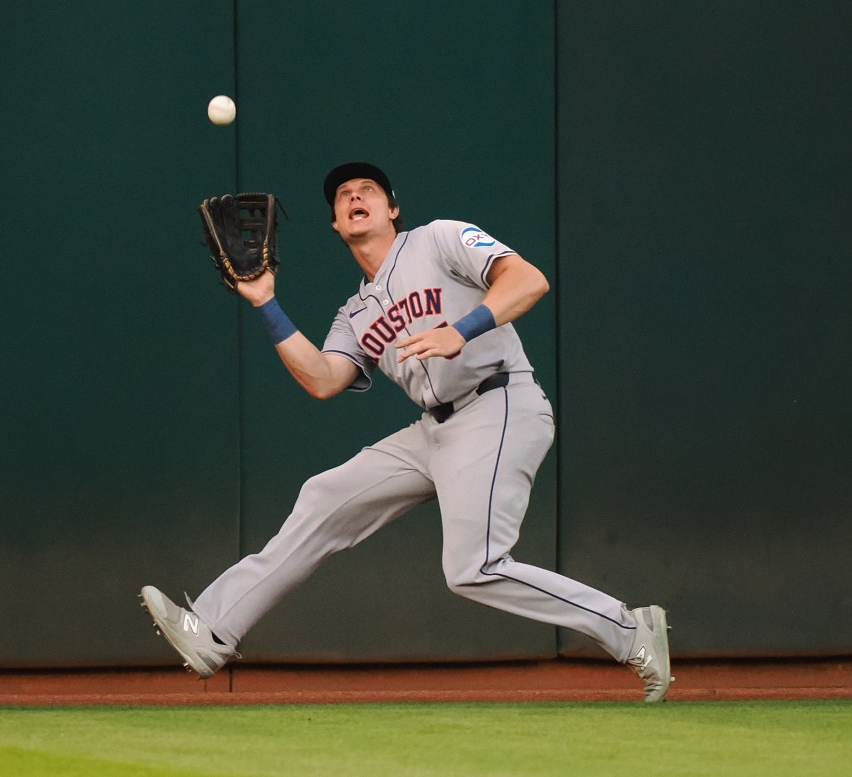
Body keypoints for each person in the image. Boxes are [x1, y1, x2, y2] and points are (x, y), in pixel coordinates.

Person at [142, 162, 672, 702]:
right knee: (325, 497)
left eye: (367, 190)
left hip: (500, 403)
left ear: (392, 208)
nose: (354, 197)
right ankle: (211, 630)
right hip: (433, 430)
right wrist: (266, 303)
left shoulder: (439, 239)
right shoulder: (355, 312)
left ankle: (629, 631)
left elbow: (528, 280)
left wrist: (461, 330)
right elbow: (324, 380)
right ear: (335, 225)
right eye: (343, 195)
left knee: (474, 567)